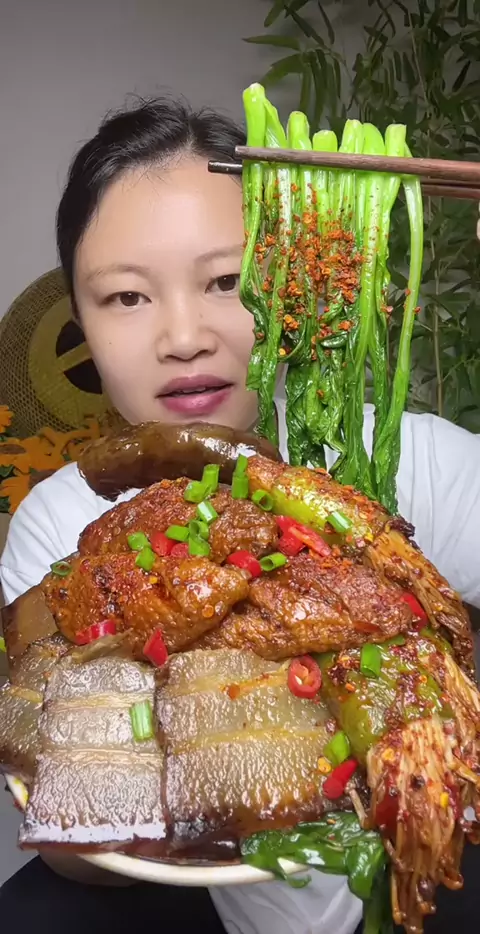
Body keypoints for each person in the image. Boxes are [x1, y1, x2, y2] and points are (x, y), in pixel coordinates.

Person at [1, 97, 480, 934]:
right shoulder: (63, 522)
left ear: (291, 282)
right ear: (81, 323)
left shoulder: (419, 458)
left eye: (226, 280)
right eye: (126, 297)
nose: (184, 336)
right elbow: (72, 847)